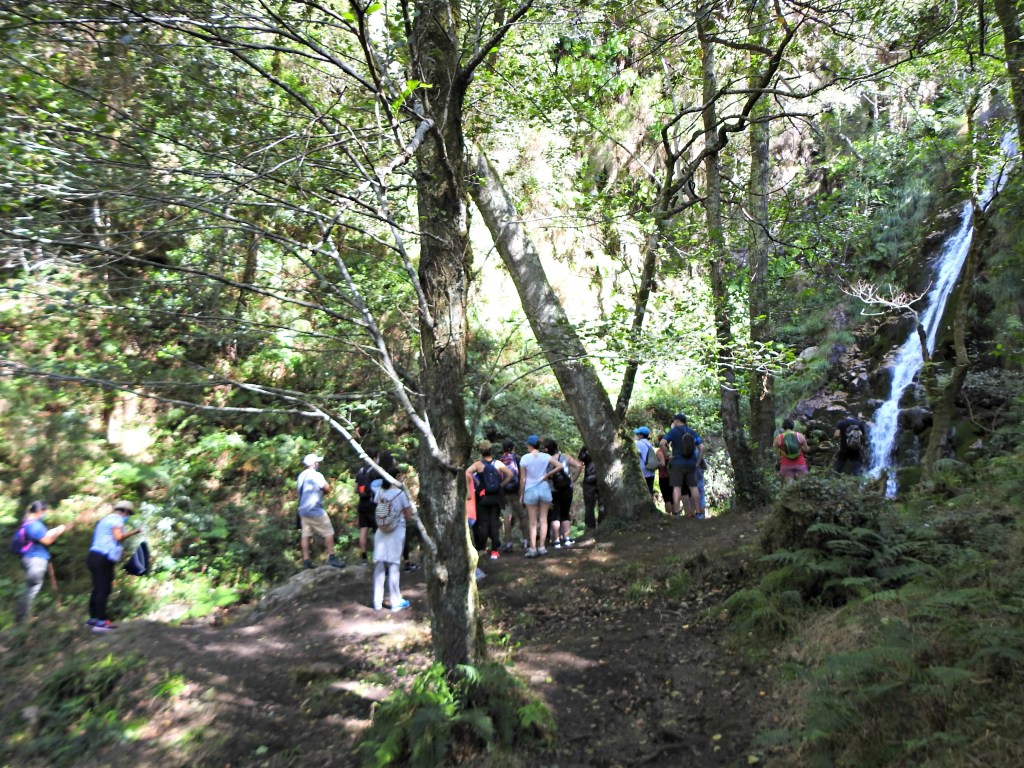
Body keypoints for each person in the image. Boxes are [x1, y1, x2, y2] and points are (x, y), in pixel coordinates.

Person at [86, 500, 142, 632]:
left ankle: (93, 619)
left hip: (94, 556)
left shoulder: (105, 519)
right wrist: (135, 531)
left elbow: (109, 540)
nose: (128, 516)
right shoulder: (117, 520)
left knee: (97, 588)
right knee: (104, 589)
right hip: (102, 558)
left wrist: (120, 551)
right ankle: (101, 622)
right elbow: (118, 537)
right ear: (124, 511)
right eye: (129, 514)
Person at [14, 500, 66, 625]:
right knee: (33, 588)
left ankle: (23, 616)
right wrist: (58, 532)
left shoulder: (28, 523)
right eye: (44, 511)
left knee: (31, 587)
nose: (44, 514)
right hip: (35, 559)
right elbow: (47, 541)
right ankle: (24, 618)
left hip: (30, 557)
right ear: (38, 511)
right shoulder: (34, 525)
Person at [372, 465, 414, 612]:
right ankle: (395, 601)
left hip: (381, 529)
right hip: (397, 530)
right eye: (400, 475)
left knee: (379, 564)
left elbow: (378, 506)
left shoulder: (380, 491)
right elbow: (409, 514)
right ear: (395, 477)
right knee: (394, 564)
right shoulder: (400, 494)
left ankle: (377, 601)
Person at [465, 441, 514, 560]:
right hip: (496, 497)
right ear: (491, 451)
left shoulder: (477, 465)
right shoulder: (498, 464)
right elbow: (510, 475)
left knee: (483, 523)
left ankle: (482, 550)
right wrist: (501, 485)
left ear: (481, 452)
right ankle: (495, 551)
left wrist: (475, 483)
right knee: (494, 523)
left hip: (482, 497)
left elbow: (467, 473)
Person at [518, 435, 564, 558]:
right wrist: (548, 474)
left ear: (529, 445)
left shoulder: (524, 458)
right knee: (543, 520)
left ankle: (533, 549)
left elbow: (523, 479)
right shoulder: (546, 456)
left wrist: (521, 494)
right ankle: (542, 547)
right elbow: (560, 466)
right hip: (544, 489)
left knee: (532, 522)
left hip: (530, 490)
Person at [297, 453, 344, 570]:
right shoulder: (317, 475)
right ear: (313, 464)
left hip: (303, 509)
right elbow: (327, 488)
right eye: (317, 462)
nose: (318, 464)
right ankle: (332, 557)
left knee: (306, 534)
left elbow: (299, 492)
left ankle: (306, 561)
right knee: (328, 531)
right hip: (315, 508)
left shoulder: (301, 476)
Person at [660, 413, 703, 518]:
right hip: (691, 464)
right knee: (693, 487)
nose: (673, 422)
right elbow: (701, 448)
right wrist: (697, 462)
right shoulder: (691, 431)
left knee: (677, 487)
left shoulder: (673, 431)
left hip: (677, 464)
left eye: (674, 421)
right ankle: (698, 513)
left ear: (677, 421)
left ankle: (676, 513)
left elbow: (662, 443)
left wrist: (667, 455)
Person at [544, 439, 583, 549]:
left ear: (547, 449)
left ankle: (556, 541)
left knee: (555, 514)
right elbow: (579, 466)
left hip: (553, 490)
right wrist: (572, 480)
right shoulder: (565, 457)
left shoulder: (546, 459)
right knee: (565, 513)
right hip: (567, 488)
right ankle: (566, 539)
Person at [498, 440, 528, 552]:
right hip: (516, 493)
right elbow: (522, 477)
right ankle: (525, 541)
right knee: (523, 516)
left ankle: (508, 543)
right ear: (513, 448)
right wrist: (521, 491)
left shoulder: (499, 460)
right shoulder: (518, 459)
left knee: (507, 517)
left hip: (503, 493)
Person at [774, 418, 810, 483]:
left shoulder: (778, 437)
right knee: (802, 485)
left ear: (783, 426)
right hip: (800, 463)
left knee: (789, 487)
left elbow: (776, 452)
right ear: (792, 426)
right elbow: (807, 449)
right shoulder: (799, 435)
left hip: (786, 465)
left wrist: (783, 453)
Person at [578, 446, 603, 531]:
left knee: (589, 505)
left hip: (589, 477)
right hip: (601, 477)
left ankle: (590, 528)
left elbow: (581, 460)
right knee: (602, 504)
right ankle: (602, 525)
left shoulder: (587, 447)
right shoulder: (604, 445)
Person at [634, 427, 658, 498]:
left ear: (641, 435)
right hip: (651, 470)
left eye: (637, 434)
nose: (636, 435)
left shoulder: (638, 443)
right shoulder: (648, 443)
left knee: (642, 494)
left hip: (643, 471)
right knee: (650, 491)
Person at [655, 435, 674, 515]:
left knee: (667, 498)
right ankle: (675, 515)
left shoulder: (659, 452)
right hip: (671, 476)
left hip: (663, 477)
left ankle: (669, 516)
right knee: (672, 497)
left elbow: (662, 464)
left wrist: (655, 464)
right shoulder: (669, 450)